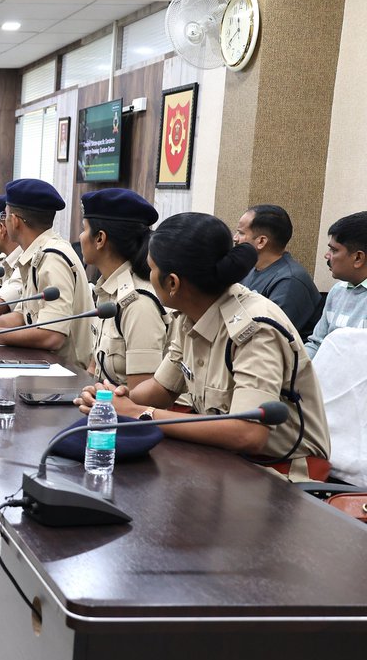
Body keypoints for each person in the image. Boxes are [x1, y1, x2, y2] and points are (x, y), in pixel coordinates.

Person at [76, 212, 330, 481]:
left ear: (173, 283)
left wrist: (140, 413)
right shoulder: (191, 314)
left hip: (283, 473)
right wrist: (110, 401)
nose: (148, 276)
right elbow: (162, 389)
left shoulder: (255, 329)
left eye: (151, 269)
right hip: (228, 461)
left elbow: (249, 433)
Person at [0, 179, 92, 368]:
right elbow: (21, 316)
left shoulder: (52, 258)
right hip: (44, 365)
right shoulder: (36, 254)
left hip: (65, 377)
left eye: (5, 215)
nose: (4, 221)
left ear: (14, 221)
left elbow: (52, 335)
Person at [80, 188, 169, 389]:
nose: (81, 236)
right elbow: (94, 370)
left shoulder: (138, 302)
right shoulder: (107, 291)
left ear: (100, 238)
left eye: (84, 229)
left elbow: (140, 394)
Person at [234, 205, 322, 338]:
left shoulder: (290, 280)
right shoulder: (249, 269)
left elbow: (270, 335)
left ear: (261, 241)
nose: (235, 238)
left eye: (241, 233)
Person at [306, 211, 367, 358]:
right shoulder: (337, 291)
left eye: (334, 250)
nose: (327, 256)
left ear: (358, 258)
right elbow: (316, 344)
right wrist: (293, 368)